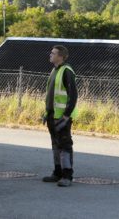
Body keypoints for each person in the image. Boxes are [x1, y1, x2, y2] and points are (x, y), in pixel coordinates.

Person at [42, 45, 78, 187]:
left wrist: (66, 116)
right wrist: (46, 114)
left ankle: (67, 176)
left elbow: (73, 95)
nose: (50, 54)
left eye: (53, 53)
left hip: (62, 117)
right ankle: (57, 173)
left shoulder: (66, 71)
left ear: (61, 56)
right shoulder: (54, 70)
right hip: (52, 116)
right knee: (56, 145)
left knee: (64, 146)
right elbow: (51, 96)